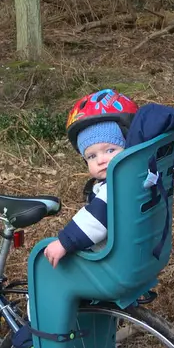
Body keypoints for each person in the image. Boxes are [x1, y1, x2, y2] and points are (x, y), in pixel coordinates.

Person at [42, 90, 139, 268]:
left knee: (46, 268)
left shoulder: (117, 187)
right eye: (92, 156)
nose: (101, 160)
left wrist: (65, 242)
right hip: (133, 256)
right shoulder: (137, 176)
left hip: (108, 262)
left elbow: (96, 219)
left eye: (110, 150)